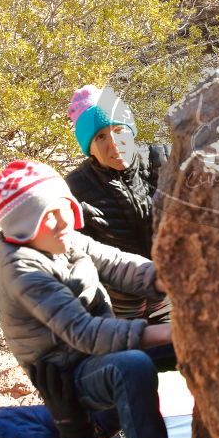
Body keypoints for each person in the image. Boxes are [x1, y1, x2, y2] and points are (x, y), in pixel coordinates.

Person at [0, 160, 201, 438]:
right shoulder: (23, 273)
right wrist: (175, 331)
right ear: (21, 230)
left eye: (62, 210)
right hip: (71, 375)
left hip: (99, 349)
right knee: (131, 368)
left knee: (195, 345)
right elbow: (83, 333)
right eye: (45, 218)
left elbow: (117, 263)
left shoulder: (61, 238)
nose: (60, 223)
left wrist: (175, 280)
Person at [65, 84, 172, 322]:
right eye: (101, 136)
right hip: (121, 297)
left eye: (119, 130)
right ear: (88, 147)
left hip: (171, 284)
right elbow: (72, 250)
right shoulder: (76, 187)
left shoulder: (166, 159)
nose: (113, 143)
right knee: (136, 346)